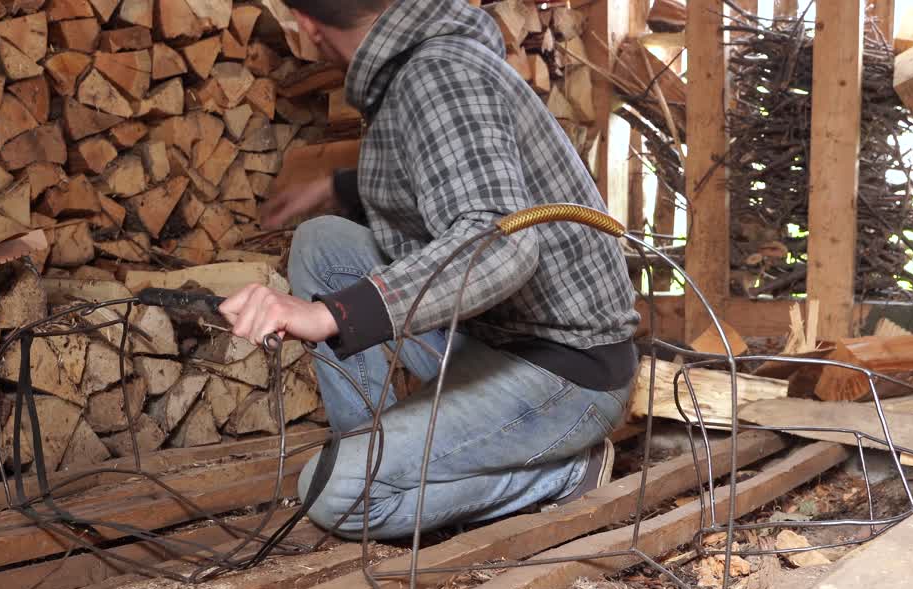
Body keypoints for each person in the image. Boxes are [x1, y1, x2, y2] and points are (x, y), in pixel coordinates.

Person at [219, 0, 638, 540]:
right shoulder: (413, 62)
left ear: (307, 28)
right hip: (502, 336)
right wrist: (339, 188)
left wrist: (333, 314)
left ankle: (560, 475)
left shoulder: (438, 73)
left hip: (567, 370)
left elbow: (501, 246)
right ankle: (383, 448)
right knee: (324, 243)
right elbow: (445, 171)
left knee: (337, 494)